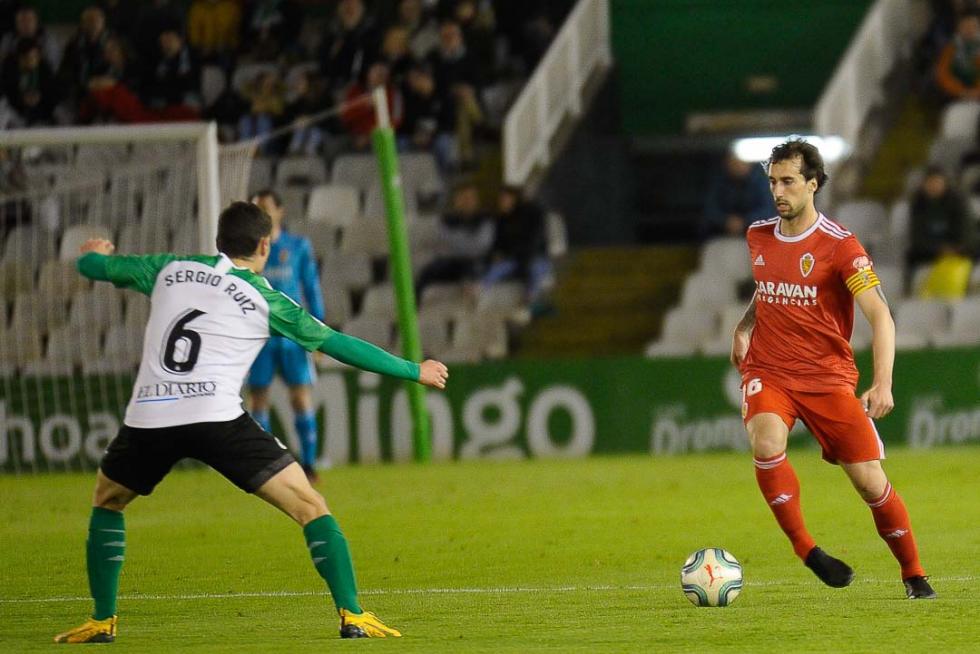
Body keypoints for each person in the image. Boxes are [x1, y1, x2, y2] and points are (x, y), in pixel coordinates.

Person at [53, 201, 449, 643]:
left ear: (218, 241)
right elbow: (336, 344)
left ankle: (102, 621)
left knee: (108, 501)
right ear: (264, 244)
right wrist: (414, 370)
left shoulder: (170, 267)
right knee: (310, 506)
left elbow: (94, 267)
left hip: (151, 415)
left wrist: (95, 252)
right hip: (216, 417)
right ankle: (352, 615)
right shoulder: (264, 297)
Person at [729, 139, 936, 600]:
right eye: (772, 182)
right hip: (771, 369)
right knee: (765, 442)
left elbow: (880, 316)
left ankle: (914, 574)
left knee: (870, 483)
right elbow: (768, 289)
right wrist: (744, 326)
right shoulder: (758, 236)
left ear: (813, 184)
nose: (778, 191)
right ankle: (807, 550)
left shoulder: (841, 247)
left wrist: (882, 383)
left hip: (827, 378)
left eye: (788, 182)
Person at [247, 190, 326, 481]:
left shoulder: (297, 246)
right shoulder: (247, 250)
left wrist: (317, 332)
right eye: (256, 208)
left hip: (292, 335)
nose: (262, 213)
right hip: (257, 336)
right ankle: (265, 464)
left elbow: (311, 287)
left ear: (280, 211)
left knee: (300, 398)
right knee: (258, 399)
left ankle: (309, 463)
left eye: (266, 207)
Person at [907, 165, 975, 267]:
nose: (934, 186)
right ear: (924, 184)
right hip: (931, 250)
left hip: (957, 247)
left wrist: (955, 248)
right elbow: (917, 236)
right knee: (911, 255)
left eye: (937, 182)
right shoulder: (918, 204)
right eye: (930, 182)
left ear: (944, 183)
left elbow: (966, 229)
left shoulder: (957, 201)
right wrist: (939, 249)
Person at [703, 152, 775, 237]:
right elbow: (710, 209)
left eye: (740, 163)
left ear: (749, 163)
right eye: (733, 163)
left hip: (759, 234)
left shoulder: (763, 181)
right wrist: (725, 221)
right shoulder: (719, 181)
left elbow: (770, 210)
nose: (737, 166)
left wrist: (745, 221)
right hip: (723, 234)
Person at [935, 10, 980, 100]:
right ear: (958, 28)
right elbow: (942, 74)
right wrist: (961, 91)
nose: (969, 30)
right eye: (965, 26)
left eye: (973, 26)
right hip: (956, 95)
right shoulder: (951, 48)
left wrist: (977, 92)